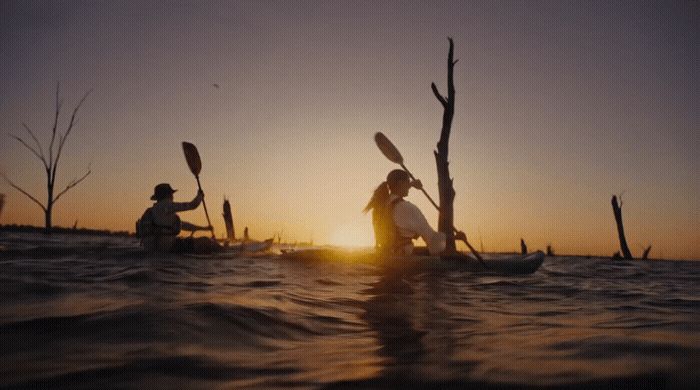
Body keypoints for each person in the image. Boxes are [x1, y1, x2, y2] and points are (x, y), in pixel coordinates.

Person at [363, 169, 467, 256]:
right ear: (400, 183)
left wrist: (411, 184)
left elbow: (399, 188)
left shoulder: (379, 207)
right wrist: (456, 237)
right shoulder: (406, 207)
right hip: (403, 256)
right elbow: (432, 238)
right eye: (407, 181)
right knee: (456, 255)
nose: (409, 187)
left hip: (384, 253)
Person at [136, 183, 221, 253]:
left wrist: (204, 228)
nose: (173, 197)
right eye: (172, 194)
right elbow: (192, 205)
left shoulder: (152, 211)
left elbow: (184, 225)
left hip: (152, 250)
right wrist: (200, 196)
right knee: (206, 241)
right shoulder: (167, 205)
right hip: (169, 248)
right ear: (168, 195)